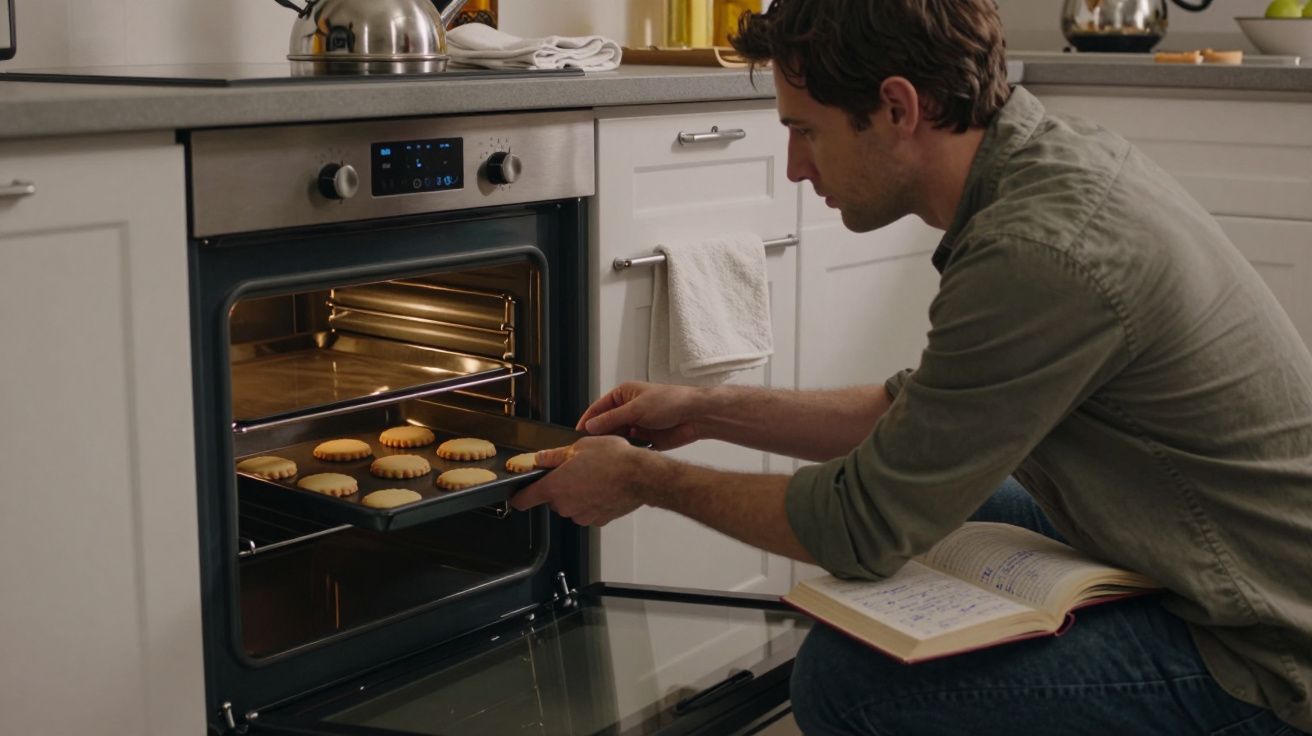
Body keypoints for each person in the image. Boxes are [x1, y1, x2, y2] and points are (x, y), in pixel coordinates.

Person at [510, 0, 1312, 732]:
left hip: (1263, 651)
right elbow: (918, 414)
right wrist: (705, 405)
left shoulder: (1038, 251)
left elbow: (861, 527)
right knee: (967, 504)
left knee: (846, 684)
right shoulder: (1043, 166)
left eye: (807, 131)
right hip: (1211, 557)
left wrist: (644, 482)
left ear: (896, 108)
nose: (793, 166)